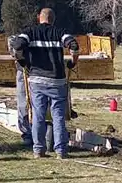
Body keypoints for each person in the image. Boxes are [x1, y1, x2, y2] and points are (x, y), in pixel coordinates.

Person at [9, 8, 79, 158]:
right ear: (53, 19)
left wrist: (22, 61)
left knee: (38, 115)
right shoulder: (60, 32)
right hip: (57, 81)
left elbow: (17, 45)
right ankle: (61, 150)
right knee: (58, 116)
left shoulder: (30, 32)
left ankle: (38, 150)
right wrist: (73, 63)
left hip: (37, 80)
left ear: (38, 18)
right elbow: (73, 45)